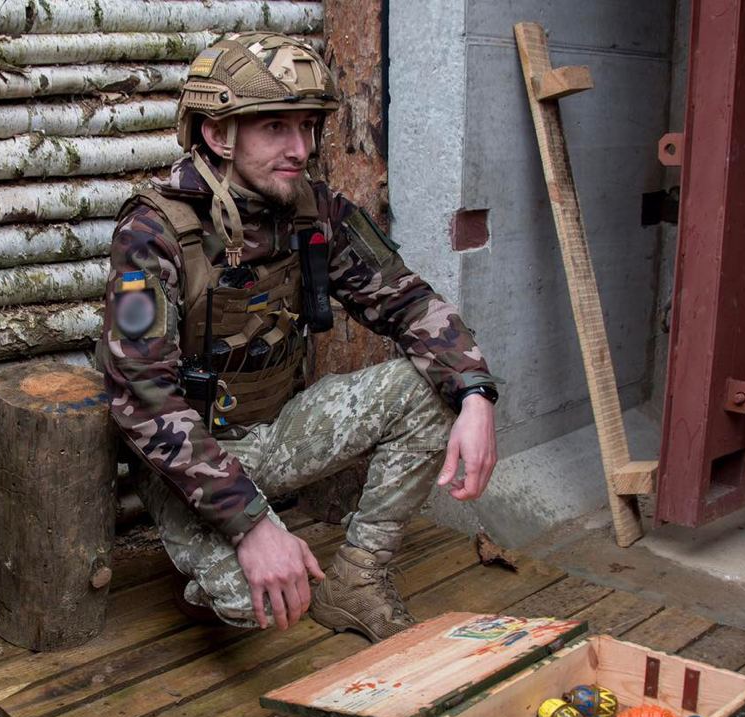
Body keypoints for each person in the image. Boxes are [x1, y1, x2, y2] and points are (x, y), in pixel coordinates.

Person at [96, 32, 499, 642]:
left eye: (308, 127)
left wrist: (475, 394)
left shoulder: (315, 211)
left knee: (432, 389)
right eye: (276, 127)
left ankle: (357, 581)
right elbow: (141, 395)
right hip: (191, 460)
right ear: (218, 134)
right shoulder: (152, 232)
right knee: (250, 605)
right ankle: (216, 566)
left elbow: (408, 300)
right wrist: (252, 525)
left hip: (278, 434)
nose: (301, 148)